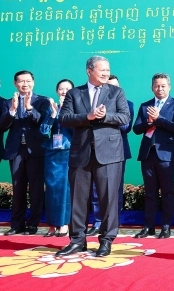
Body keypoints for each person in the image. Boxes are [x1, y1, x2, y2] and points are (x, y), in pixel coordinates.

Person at [56, 55, 130, 258]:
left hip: (109, 153)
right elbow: (64, 118)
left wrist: (105, 116)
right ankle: (77, 241)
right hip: (81, 152)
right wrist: (87, 117)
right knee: (78, 199)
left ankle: (106, 240)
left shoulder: (116, 92)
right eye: (102, 70)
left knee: (108, 199)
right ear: (89, 71)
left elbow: (125, 117)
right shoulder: (74, 93)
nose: (106, 73)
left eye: (108, 70)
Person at [132, 73, 174, 239]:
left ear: (169, 87)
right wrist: (149, 121)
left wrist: (158, 118)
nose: (160, 89)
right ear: (152, 87)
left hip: (167, 155)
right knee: (150, 192)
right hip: (148, 154)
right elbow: (136, 128)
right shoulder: (145, 106)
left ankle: (166, 226)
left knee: (167, 192)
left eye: (163, 86)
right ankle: (149, 226)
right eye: (156, 86)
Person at [0, 70, 50, 235]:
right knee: (18, 188)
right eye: (21, 81)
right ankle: (16, 225)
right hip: (16, 150)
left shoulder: (42, 101)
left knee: (36, 188)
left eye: (28, 81)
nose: (25, 84)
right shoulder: (8, 103)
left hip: (36, 150)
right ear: (15, 83)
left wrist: (29, 108)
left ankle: (33, 224)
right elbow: (2, 126)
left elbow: (42, 123)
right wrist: (12, 111)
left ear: (33, 82)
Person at [87, 74, 133, 235]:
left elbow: (126, 127)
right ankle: (98, 222)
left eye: (115, 86)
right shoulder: (93, 104)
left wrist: (107, 116)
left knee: (115, 189)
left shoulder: (127, 104)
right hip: (96, 150)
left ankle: (114, 222)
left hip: (117, 151)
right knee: (95, 188)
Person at [40, 79, 74, 237]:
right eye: (61, 89)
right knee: (51, 189)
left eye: (67, 89)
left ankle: (64, 223)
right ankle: (52, 224)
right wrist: (53, 114)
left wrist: (64, 112)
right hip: (52, 153)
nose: (64, 91)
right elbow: (43, 131)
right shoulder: (50, 108)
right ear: (56, 91)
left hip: (68, 151)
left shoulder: (75, 108)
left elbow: (76, 130)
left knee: (65, 189)